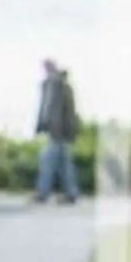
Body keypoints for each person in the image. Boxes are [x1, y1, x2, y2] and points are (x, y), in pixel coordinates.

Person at [33, 58, 82, 205]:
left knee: (48, 161)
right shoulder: (48, 85)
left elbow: (68, 110)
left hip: (59, 131)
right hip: (54, 130)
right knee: (64, 164)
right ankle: (71, 194)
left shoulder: (61, 86)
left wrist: (69, 130)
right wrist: (40, 125)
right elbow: (44, 108)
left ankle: (43, 193)